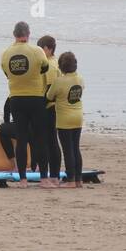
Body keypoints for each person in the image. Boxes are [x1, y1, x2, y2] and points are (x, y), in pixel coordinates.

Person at [0, 21, 52, 188]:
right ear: (28, 34)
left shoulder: (6, 53)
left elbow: (7, 73)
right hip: (36, 98)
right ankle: (43, 179)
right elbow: (44, 68)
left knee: (21, 139)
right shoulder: (37, 51)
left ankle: (22, 180)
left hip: (16, 99)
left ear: (14, 34)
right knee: (39, 138)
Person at [47, 51, 85, 188]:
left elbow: (49, 96)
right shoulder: (80, 79)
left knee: (68, 150)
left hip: (64, 119)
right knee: (76, 148)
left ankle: (70, 180)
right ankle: (78, 179)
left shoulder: (59, 81)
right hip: (78, 117)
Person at [37, 35, 62, 184]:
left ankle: (53, 175)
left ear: (48, 49)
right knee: (51, 140)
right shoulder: (55, 61)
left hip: (49, 108)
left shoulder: (51, 65)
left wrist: (40, 104)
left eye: (41, 49)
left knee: (49, 141)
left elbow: (50, 90)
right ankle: (54, 174)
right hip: (53, 107)